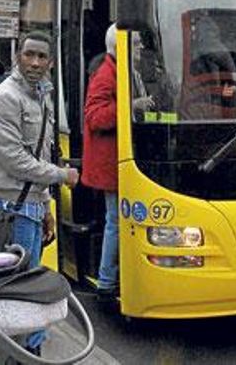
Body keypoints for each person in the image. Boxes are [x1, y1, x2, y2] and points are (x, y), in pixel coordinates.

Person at [0, 30, 79, 354]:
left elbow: (41, 152)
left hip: (29, 209)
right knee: (18, 295)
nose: (35, 62)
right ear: (17, 56)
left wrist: (46, 203)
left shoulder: (40, 96)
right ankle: (20, 355)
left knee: (28, 291)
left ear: (50, 62)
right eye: (29, 54)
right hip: (10, 211)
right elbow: (15, 161)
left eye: (41, 56)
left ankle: (27, 353)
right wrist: (61, 176)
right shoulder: (6, 98)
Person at [81, 25, 152, 298]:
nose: (141, 49)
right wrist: (132, 107)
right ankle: (107, 282)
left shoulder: (123, 71)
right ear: (120, 46)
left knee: (118, 221)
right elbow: (95, 117)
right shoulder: (105, 74)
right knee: (116, 222)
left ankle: (113, 277)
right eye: (136, 45)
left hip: (120, 161)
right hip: (111, 163)